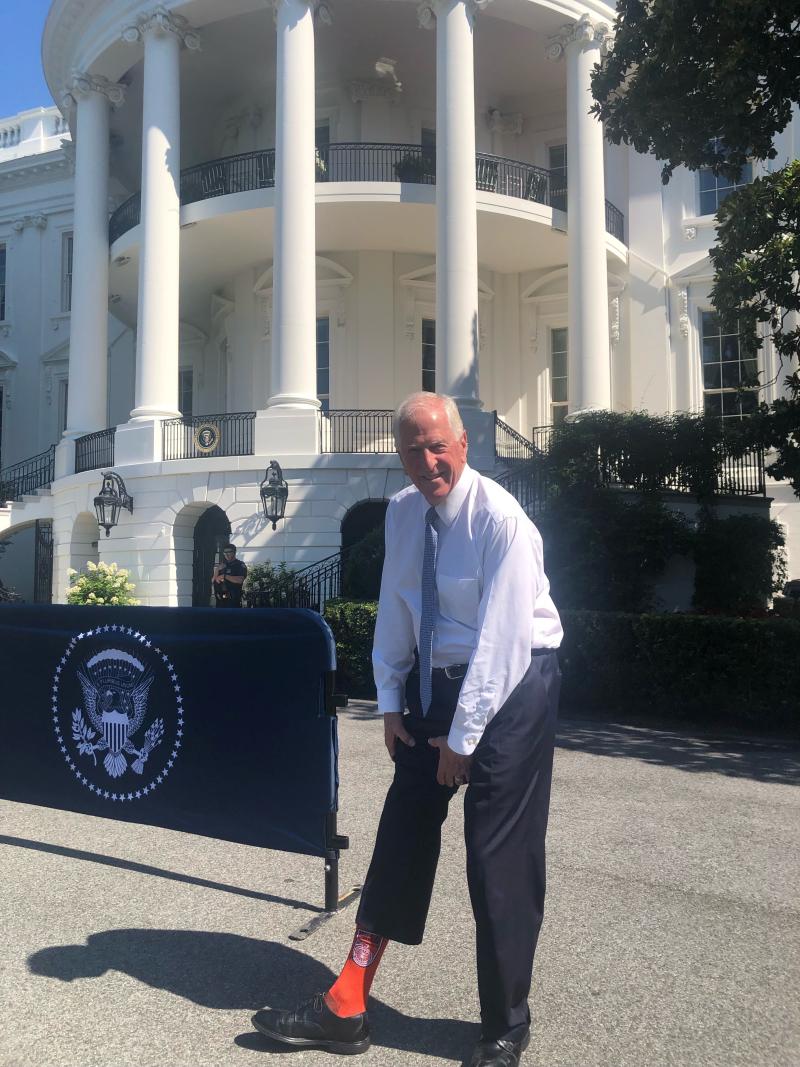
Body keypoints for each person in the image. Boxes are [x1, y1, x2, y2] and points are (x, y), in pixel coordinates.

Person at [252, 392, 562, 1067]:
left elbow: (503, 642)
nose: (427, 462)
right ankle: (346, 1002)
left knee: (495, 854)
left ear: (463, 443)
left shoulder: (502, 522)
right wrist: (392, 701)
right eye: (412, 449)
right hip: (435, 684)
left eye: (437, 445)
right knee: (401, 828)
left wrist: (464, 738)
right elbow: (398, 603)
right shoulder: (402, 513)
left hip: (514, 685)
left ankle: (505, 1025)